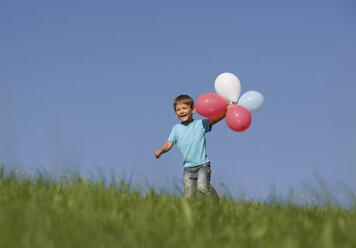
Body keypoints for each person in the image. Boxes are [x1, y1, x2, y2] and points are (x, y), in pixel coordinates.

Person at [155, 94, 233, 200]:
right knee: (189, 196)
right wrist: (161, 150)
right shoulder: (176, 129)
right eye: (178, 110)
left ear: (192, 110)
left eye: (184, 108)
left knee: (202, 187)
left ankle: (216, 200)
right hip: (187, 168)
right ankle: (192, 213)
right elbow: (169, 144)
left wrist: (226, 110)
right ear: (175, 114)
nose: (181, 111)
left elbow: (214, 119)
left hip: (202, 165)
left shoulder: (200, 124)